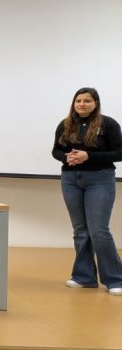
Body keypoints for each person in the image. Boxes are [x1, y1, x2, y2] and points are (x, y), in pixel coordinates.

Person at [51, 87, 122, 296]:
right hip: (71, 179)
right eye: (78, 101)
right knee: (80, 230)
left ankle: (115, 278)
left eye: (87, 101)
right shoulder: (65, 125)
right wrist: (67, 158)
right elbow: (56, 150)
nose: (81, 104)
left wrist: (88, 156)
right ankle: (84, 277)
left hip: (100, 178)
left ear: (96, 103)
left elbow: (119, 152)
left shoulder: (108, 124)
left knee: (99, 231)